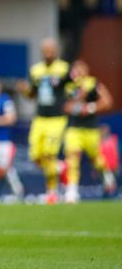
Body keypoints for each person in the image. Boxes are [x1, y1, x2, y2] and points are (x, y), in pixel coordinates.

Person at [17, 38, 71, 204]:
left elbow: (72, 90)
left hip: (57, 118)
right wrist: (24, 91)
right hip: (40, 118)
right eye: (45, 50)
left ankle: (52, 191)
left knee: (49, 154)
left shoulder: (64, 68)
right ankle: (61, 167)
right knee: (35, 157)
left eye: (51, 49)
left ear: (56, 51)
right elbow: (32, 94)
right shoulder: (35, 70)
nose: (48, 53)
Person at [62, 60, 116, 203]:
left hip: (90, 128)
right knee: (72, 158)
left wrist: (90, 107)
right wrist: (78, 101)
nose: (77, 72)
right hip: (74, 128)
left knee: (95, 158)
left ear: (86, 70)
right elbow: (66, 106)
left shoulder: (93, 83)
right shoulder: (69, 87)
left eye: (80, 69)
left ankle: (106, 174)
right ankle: (72, 192)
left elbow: (107, 101)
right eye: (75, 69)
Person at [100, 124, 119, 198]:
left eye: (105, 130)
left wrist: (117, 164)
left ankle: (110, 195)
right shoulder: (99, 141)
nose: (104, 132)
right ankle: (109, 195)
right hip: (104, 166)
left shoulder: (113, 139)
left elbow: (116, 153)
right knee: (108, 181)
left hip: (113, 165)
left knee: (112, 181)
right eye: (102, 130)